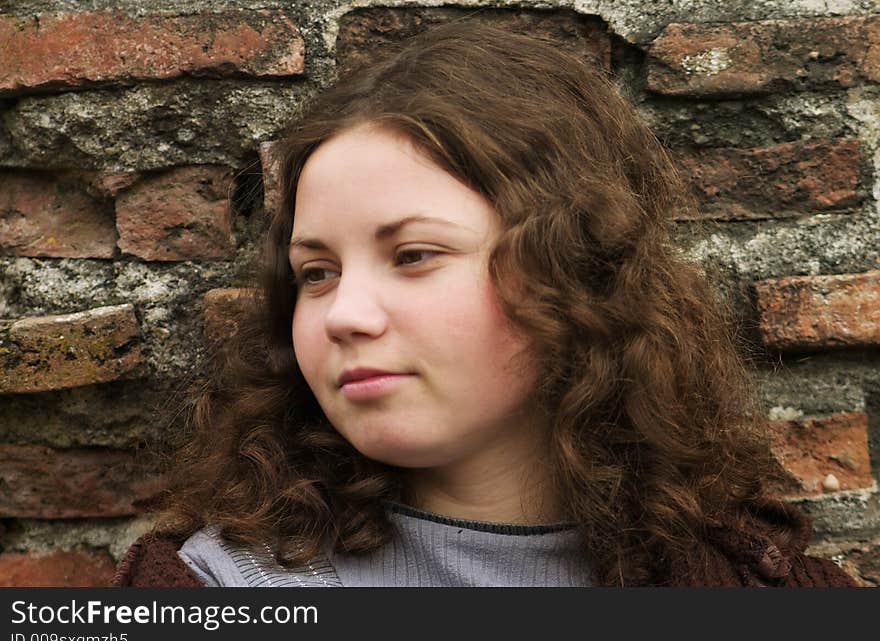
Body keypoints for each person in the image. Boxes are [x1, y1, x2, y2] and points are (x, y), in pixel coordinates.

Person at [113, 19, 857, 587]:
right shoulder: (219, 592)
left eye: (414, 256)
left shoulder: (762, 585)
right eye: (316, 273)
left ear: (573, 269)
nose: (344, 314)